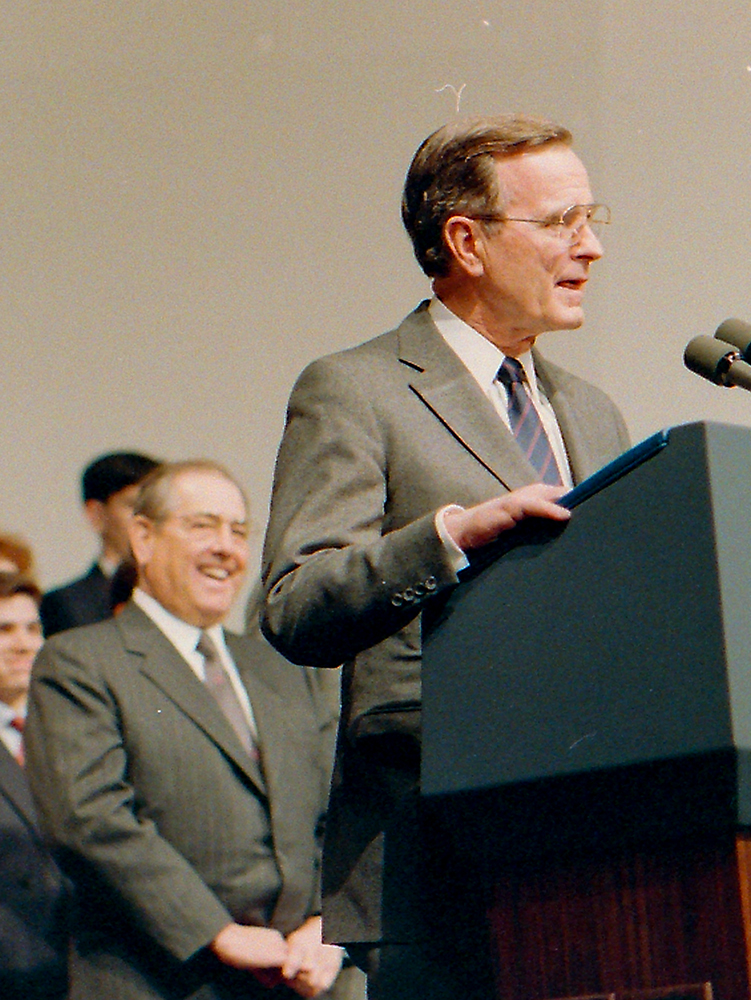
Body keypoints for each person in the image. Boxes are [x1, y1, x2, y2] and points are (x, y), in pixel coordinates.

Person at [260, 114, 631, 999]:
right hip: (434, 860)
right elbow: (294, 601)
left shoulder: (592, 411)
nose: (591, 248)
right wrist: (448, 538)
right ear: (465, 240)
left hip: (588, 855)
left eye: (595, 219)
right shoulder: (358, 388)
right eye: (560, 223)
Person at [25, 460, 347, 999]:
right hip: (159, 979)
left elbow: (340, 806)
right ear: (143, 538)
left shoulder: (285, 668)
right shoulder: (79, 662)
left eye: (239, 531)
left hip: (303, 976)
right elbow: (89, 819)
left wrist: (327, 922)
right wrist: (216, 933)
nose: (226, 547)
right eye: (202, 525)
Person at [0, 572, 72, 999]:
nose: (24, 644)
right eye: (4, 630)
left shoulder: (74, 727)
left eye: (33, 628)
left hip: (83, 965)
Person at [40, 451, 161, 636]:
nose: (148, 520)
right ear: (96, 513)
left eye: (155, 508)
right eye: (135, 507)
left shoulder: (183, 592)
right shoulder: (67, 604)